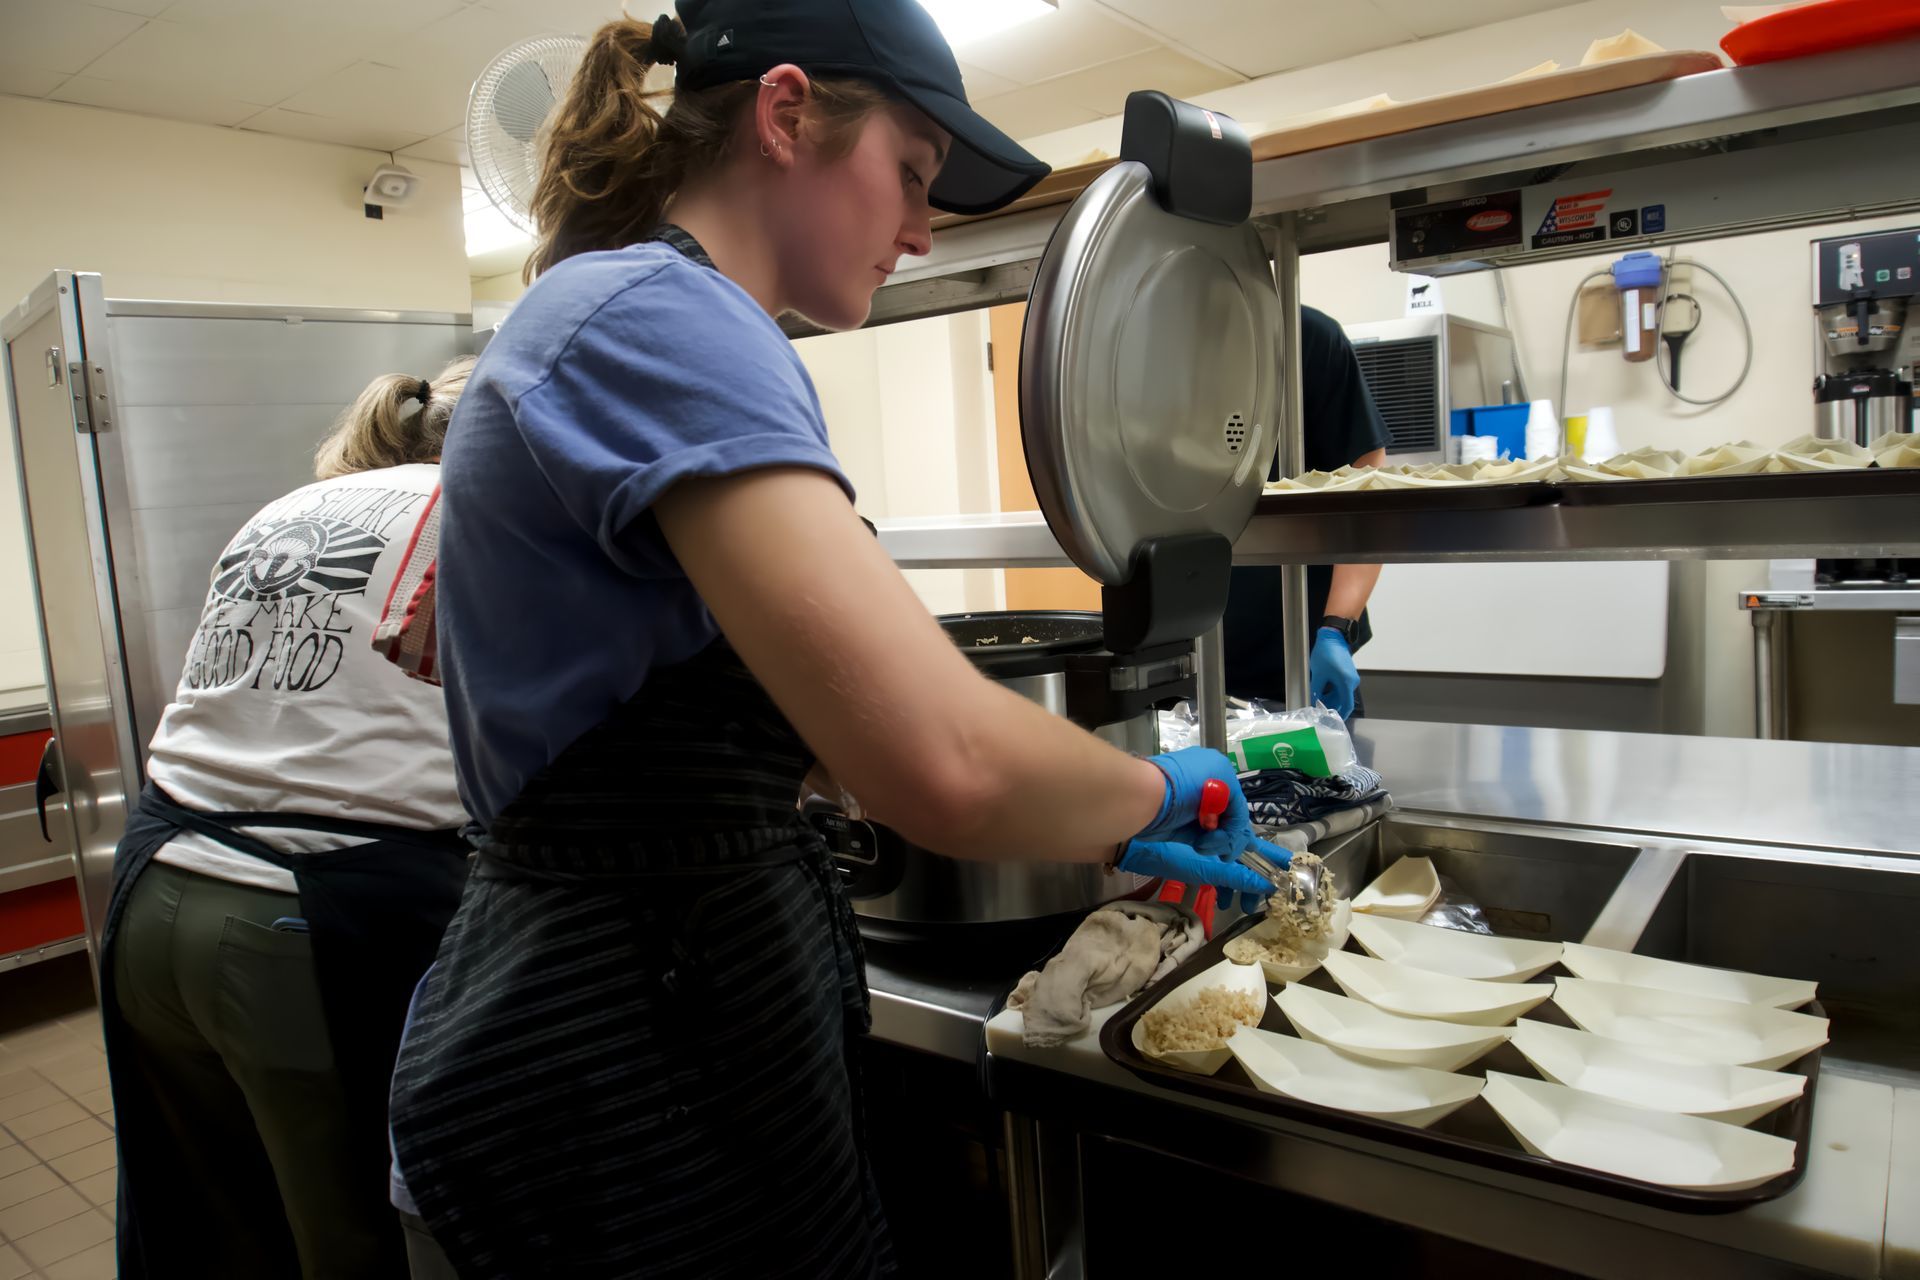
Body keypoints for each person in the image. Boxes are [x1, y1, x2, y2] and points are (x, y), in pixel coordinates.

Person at [386, 5, 1281, 1277]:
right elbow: (944, 762)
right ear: (787, 112)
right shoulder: (658, 317)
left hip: (654, 1024)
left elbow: (756, 727)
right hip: (612, 1058)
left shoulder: (633, 315)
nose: (921, 229)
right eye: (911, 173)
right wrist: (1153, 786)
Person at [101, 359, 476, 1279]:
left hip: (154, 887)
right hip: (303, 919)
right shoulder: (484, 510)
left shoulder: (288, 510)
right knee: (358, 1240)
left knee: (212, 1226)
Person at [1221, 305, 1391, 717]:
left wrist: (1337, 628)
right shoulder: (1150, 348)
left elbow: (1365, 490)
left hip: (1298, 662)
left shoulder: (1305, 338)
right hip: (1180, 664)